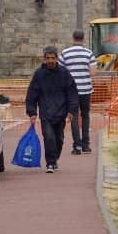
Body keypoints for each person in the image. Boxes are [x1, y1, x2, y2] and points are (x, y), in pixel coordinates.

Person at [25, 45, 79, 173]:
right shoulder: (39, 74)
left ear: (57, 58)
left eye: (52, 58)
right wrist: (32, 111)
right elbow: (32, 93)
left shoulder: (64, 73)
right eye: (48, 58)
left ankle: (54, 159)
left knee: (59, 138)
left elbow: (72, 92)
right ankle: (50, 163)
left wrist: (72, 110)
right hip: (46, 112)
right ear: (44, 59)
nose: (50, 61)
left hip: (61, 112)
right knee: (49, 137)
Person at [59, 29, 97, 154]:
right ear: (83, 38)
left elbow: (60, 71)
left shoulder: (65, 53)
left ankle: (77, 146)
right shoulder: (89, 53)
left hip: (71, 91)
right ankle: (86, 145)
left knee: (73, 116)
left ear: (73, 38)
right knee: (85, 116)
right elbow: (93, 72)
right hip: (86, 89)